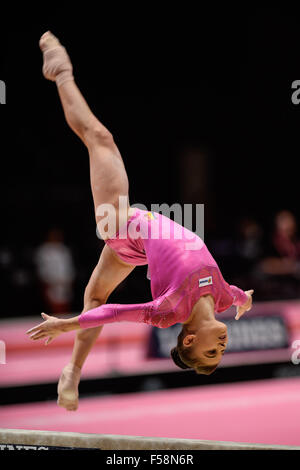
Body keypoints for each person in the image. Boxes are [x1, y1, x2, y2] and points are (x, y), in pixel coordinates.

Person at [26, 32, 254, 411]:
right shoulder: (226, 299)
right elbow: (238, 292)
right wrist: (245, 299)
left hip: (121, 225)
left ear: (189, 341)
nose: (222, 347)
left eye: (212, 351)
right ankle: (71, 373)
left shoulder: (168, 314)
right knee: (95, 294)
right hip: (135, 247)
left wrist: (67, 324)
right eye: (223, 351)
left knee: (99, 137)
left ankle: (61, 72)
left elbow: (115, 313)